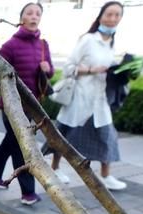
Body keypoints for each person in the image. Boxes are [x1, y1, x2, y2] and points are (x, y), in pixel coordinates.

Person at [0, 2, 54, 205]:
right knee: (21, 147)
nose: (34, 16)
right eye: (29, 13)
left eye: (38, 13)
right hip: (11, 107)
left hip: (33, 107)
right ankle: (28, 192)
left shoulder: (43, 45)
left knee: (11, 142)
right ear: (21, 18)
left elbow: (48, 74)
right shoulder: (10, 46)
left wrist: (47, 67)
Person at [48, 2, 126, 191]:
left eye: (117, 15)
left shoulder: (111, 44)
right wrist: (91, 70)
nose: (113, 19)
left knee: (107, 136)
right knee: (64, 134)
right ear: (100, 16)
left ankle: (106, 175)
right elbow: (68, 68)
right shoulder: (88, 40)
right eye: (109, 14)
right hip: (79, 97)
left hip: (99, 100)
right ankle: (55, 168)